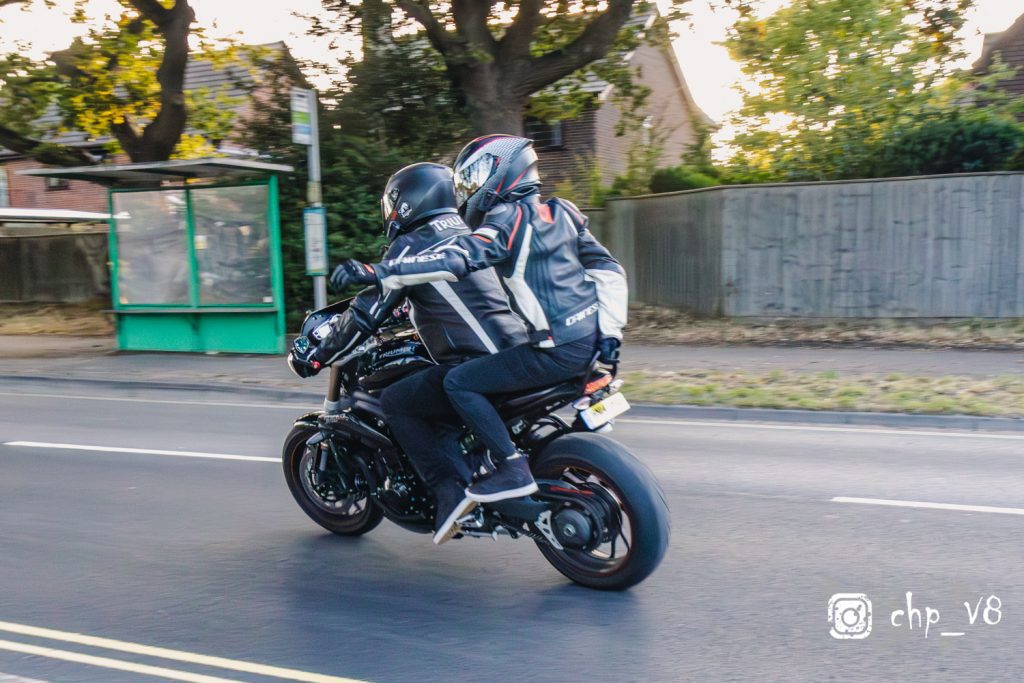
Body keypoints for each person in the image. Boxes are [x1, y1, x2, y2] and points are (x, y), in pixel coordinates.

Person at [331, 134, 628, 505]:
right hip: (590, 343)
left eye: (473, 177)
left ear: (501, 171)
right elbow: (608, 269)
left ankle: (511, 468)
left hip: (553, 350)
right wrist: (611, 334)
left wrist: (377, 271)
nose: (468, 190)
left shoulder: (505, 220)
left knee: (457, 382)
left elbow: (455, 259)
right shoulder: (563, 211)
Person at [288, 162, 529, 544]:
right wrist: (407, 308)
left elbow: (365, 313)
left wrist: (317, 355)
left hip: (476, 362)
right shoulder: (469, 233)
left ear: (407, 202)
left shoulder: (412, 245)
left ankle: (450, 494)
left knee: (399, 401)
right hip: (516, 351)